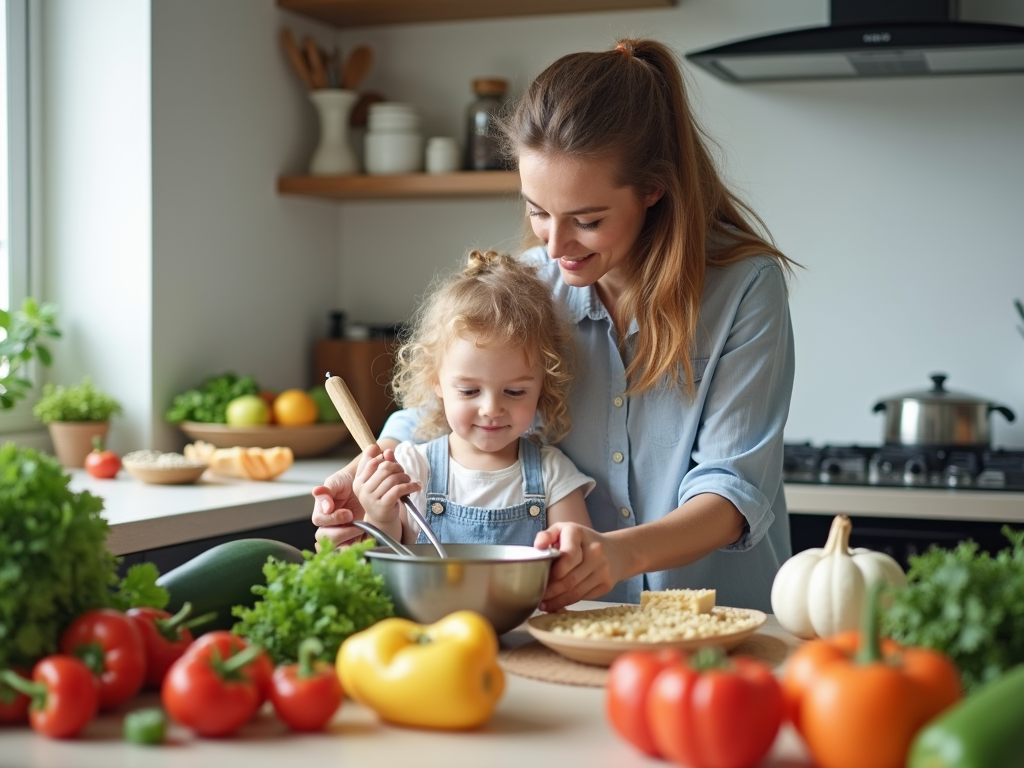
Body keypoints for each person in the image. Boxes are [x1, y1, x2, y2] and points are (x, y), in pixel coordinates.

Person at [312, 38, 796, 613]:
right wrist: (361, 478)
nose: (556, 245)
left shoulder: (744, 286)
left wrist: (618, 555)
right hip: (581, 626)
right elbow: (440, 407)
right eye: (537, 211)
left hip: (715, 618)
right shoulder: (533, 284)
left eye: (587, 221)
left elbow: (732, 490)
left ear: (653, 189)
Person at [347, 249, 594, 548]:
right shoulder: (411, 469)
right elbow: (383, 568)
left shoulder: (553, 474)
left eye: (515, 392)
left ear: (544, 386)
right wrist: (380, 516)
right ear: (436, 382)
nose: (491, 409)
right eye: (469, 391)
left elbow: (580, 558)